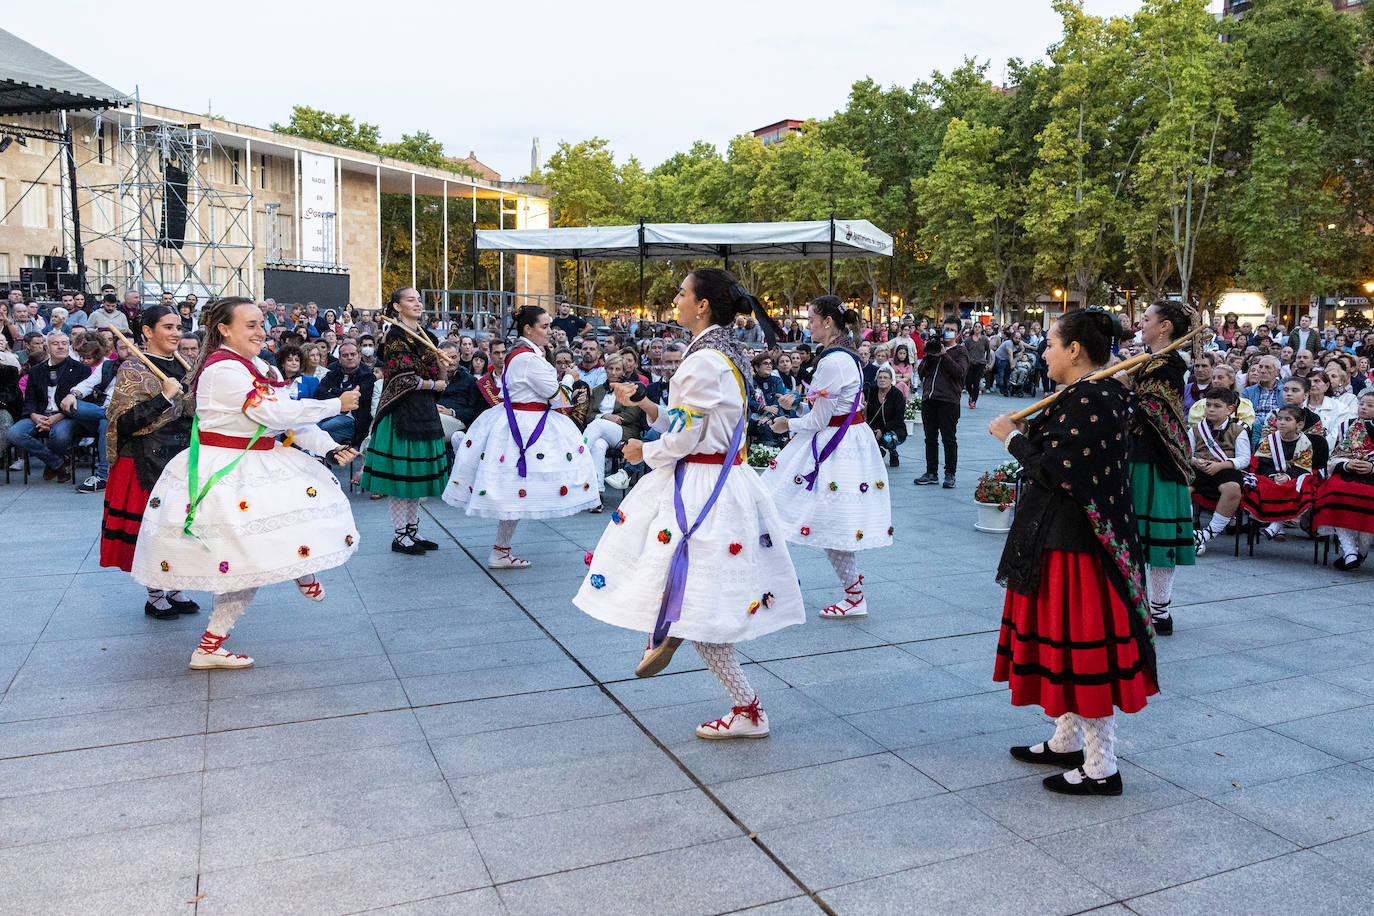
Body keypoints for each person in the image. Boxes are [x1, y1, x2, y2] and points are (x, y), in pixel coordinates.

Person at [575, 268, 803, 739]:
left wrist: (644, 451)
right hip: (721, 478)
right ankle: (679, 637)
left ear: (702, 305)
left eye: (682, 293)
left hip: (703, 486)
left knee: (695, 597)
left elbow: (689, 435)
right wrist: (646, 404)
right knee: (691, 589)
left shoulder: (703, 361)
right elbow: (690, 420)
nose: (675, 299)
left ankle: (745, 707)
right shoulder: (724, 352)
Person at [130, 297, 361, 669]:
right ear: (224, 328)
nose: (260, 331)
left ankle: (299, 569)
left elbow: (287, 422)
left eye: (260, 324)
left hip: (259, 461)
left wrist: (329, 446)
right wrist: (336, 404)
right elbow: (271, 412)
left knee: (292, 521)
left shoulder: (256, 366)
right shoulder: (223, 370)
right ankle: (211, 646)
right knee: (243, 560)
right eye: (250, 325)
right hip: (227, 470)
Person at [988, 308, 1156, 796]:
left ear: (1075, 350)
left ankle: (1102, 766)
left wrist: (1014, 439)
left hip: (1077, 544)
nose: (1043, 353)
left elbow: (1058, 473)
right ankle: (1065, 739)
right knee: (1060, 646)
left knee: (1081, 653)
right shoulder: (1087, 394)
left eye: (1050, 345)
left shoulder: (1094, 398)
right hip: (1058, 536)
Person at [764, 294, 892, 619]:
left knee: (777, 507)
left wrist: (785, 422)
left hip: (834, 446)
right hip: (847, 442)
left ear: (828, 322)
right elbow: (835, 408)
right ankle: (848, 592)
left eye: (811, 318)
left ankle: (842, 594)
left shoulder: (831, 361)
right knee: (826, 523)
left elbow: (819, 421)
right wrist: (801, 404)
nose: (809, 325)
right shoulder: (845, 356)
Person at [444, 306, 600, 566]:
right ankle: (500, 551)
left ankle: (501, 550)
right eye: (545, 326)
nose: (550, 331)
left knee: (515, 489)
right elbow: (557, 397)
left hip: (518, 420)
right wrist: (571, 379)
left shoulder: (523, 353)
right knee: (518, 487)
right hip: (525, 424)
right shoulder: (527, 358)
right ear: (528, 328)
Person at [99, 306, 199, 619]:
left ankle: (174, 585)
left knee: (176, 524)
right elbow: (122, 423)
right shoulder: (132, 369)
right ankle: (155, 594)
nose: (175, 333)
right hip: (143, 460)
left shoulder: (185, 365)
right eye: (168, 327)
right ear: (147, 332)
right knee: (151, 528)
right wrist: (163, 398)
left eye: (179, 327)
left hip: (179, 456)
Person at [360, 288, 451, 555]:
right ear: (397, 307)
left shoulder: (426, 335)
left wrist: (440, 371)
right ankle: (400, 535)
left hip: (424, 408)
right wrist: (435, 382)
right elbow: (404, 378)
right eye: (411, 300)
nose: (418, 304)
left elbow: (439, 371)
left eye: (419, 300)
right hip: (401, 410)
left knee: (416, 478)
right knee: (403, 478)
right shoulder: (395, 336)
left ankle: (412, 530)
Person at [1126, 301, 1196, 636]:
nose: (1141, 323)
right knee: (1139, 536)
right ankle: (1140, 605)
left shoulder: (1166, 364)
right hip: (1139, 453)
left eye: (1147, 319)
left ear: (1165, 326)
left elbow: (1151, 410)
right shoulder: (1149, 360)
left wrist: (1122, 393)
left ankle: (1160, 611)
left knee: (1157, 536)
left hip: (1159, 457)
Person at [8, 331, 88, 482]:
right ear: (47, 347)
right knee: (14, 433)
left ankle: (54, 465)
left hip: (67, 415)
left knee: (59, 435)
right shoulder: (36, 370)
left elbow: (84, 401)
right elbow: (30, 399)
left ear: (69, 346)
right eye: (55, 344)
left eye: (64, 343)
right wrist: (33, 415)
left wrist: (59, 416)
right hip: (39, 415)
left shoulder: (81, 369)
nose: (60, 347)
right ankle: (57, 463)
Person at [1314, 390, 1374, 569]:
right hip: (1347, 472)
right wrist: (1346, 465)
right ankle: (1349, 550)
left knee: (1367, 500)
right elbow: (1334, 454)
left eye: (1370, 405)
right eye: (1362, 404)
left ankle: (1361, 550)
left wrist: (1372, 467)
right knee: (1334, 493)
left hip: (1371, 476)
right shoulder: (1346, 425)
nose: (1363, 408)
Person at [1188, 387, 1251, 556]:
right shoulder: (1196, 429)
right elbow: (1186, 453)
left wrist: (1221, 465)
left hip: (1225, 468)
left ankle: (1207, 534)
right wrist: (1194, 461)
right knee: (1181, 487)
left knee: (1232, 488)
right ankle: (1186, 533)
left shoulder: (1239, 430)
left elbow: (1244, 459)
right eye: (1208, 405)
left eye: (1217, 406)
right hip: (1199, 469)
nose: (1211, 409)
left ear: (1230, 409)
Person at [1241, 405, 1318, 541]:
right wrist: (1273, 475)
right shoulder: (1270, 440)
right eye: (1280, 419)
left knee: (1298, 486)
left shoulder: (1305, 443)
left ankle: (1276, 525)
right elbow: (1262, 463)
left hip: (1294, 476)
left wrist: (1287, 476)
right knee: (1264, 485)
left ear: (1299, 424)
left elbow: (1303, 467)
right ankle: (1276, 525)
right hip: (1271, 475)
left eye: (1288, 419)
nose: (1282, 422)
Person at [913, 318, 969, 489]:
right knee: (930, 438)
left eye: (951, 329)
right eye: (946, 329)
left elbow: (959, 373)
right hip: (929, 399)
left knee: (948, 439)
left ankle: (950, 474)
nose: (948, 332)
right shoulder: (934, 347)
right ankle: (931, 472)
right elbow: (922, 372)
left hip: (949, 401)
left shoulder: (961, 352)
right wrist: (931, 355)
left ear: (958, 333)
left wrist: (944, 355)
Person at [313, 339, 375, 450]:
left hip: (352, 420)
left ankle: (315, 454)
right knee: (310, 425)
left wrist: (332, 391)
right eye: (345, 355)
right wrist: (343, 395)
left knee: (321, 428)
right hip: (329, 413)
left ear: (359, 356)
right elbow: (319, 393)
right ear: (340, 359)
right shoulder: (333, 373)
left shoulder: (368, 375)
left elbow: (357, 397)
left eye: (353, 354)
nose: (350, 357)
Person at [865, 367, 907, 467]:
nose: (882, 380)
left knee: (888, 438)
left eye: (885, 377)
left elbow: (898, 418)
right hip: (873, 427)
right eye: (880, 377)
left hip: (893, 428)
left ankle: (893, 452)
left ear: (891, 380)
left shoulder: (897, 394)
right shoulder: (871, 392)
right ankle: (878, 450)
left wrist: (882, 430)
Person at [963, 322, 990, 408]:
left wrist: (987, 362)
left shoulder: (985, 339)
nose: (977, 328)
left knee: (976, 383)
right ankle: (971, 395)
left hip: (980, 363)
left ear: (982, 329)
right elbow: (964, 351)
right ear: (973, 328)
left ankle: (974, 401)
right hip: (970, 363)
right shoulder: (968, 340)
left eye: (979, 327)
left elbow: (988, 351)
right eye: (976, 327)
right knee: (968, 383)